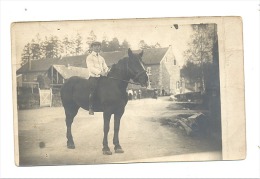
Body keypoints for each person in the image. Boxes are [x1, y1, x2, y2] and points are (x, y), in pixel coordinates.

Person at [86, 41, 109, 115]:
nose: (97, 47)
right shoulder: (89, 57)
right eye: (95, 46)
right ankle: (91, 107)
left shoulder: (101, 58)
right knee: (94, 90)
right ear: (92, 47)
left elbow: (105, 67)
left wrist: (107, 71)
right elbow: (91, 68)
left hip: (102, 77)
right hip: (94, 77)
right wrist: (100, 72)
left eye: (98, 46)